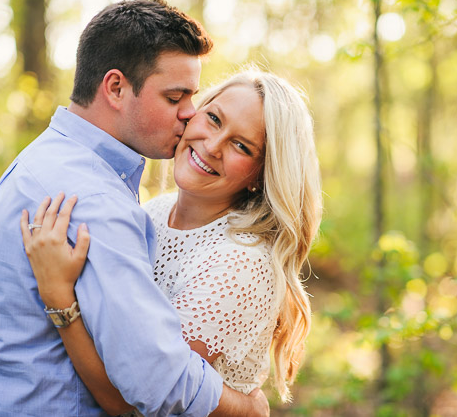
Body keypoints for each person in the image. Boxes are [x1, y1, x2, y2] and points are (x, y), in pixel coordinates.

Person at [0, 0, 269, 416]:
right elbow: (156, 381)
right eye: (175, 97)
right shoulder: (93, 201)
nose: (190, 113)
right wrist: (247, 407)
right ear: (116, 88)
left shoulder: (42, 159)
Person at [18, 69, 323, 412]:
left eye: (241, 146)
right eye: (213, 118)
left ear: (259, 175)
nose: (212, 146)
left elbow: (133, 400)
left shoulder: (239, 263)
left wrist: (59, 297)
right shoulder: (154, 212)